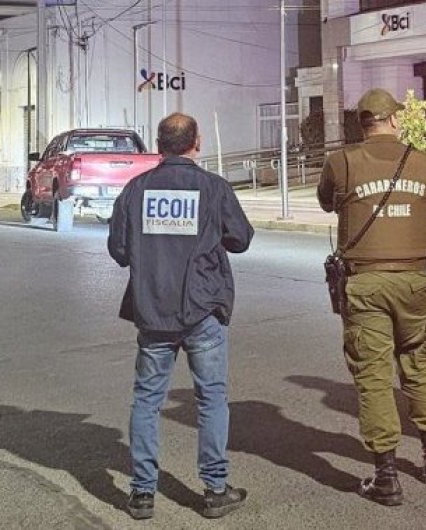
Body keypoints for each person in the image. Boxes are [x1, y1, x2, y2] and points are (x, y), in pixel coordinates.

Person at [107, 112, 254, 520]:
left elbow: (119, 250)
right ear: (196, 143)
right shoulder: (213, 188)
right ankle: (215, 489)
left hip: (153, 311)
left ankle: (142, 494)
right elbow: (241, 238)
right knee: (211, 399)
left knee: (147, 400)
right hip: (202, 310)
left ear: (159, 146)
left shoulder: (136, 190)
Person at [317, 88, 426, 506]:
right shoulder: (422, 161)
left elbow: (326, 202)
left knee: (373, 377)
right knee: (419, 364)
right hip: (414, 280)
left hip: (366, 283)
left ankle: (387, 476)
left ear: (363, 123)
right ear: (394, 119)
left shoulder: (341, 161)